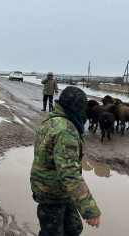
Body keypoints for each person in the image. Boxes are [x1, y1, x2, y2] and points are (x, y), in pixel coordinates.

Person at [30, 86, 101, 236]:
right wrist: (89, 209)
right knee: (52, 233)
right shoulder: (66, 131)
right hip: (52, 193)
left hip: (59, 189)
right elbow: (69, 173)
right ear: (78, 109)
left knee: (74, 228)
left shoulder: (51, 120)